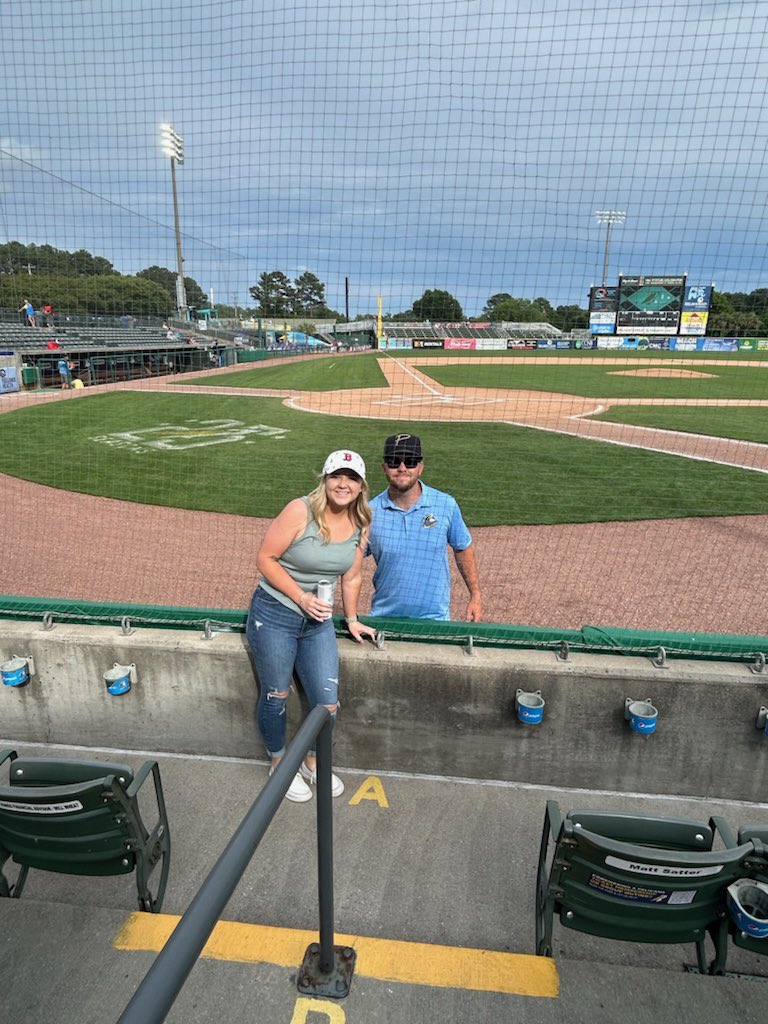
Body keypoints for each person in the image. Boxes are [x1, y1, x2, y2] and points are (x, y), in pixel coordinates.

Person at [246, 450, 377, 803]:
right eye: (337, 476)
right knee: (277, 695)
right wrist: (301, 598)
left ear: (361, 485)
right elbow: (265, 559)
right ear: (325, 479)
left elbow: (352, 575)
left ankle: (312, 762)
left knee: (328, 703)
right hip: (275, 612)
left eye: (351, 478)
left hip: (317, 623)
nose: (343, 484)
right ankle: (279, 763)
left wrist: (351, 619)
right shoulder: (299, 510)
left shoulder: (363, 520)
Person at [363, 433, 482, 621]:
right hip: (384, 618)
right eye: (394, 461)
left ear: (420, 467)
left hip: (435, 619)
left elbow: (462, 548)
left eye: (410, 461)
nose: (402, 468)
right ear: (384, 467)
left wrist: (475, 596)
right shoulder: (370, 512)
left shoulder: (445, 504)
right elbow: (348, 558)